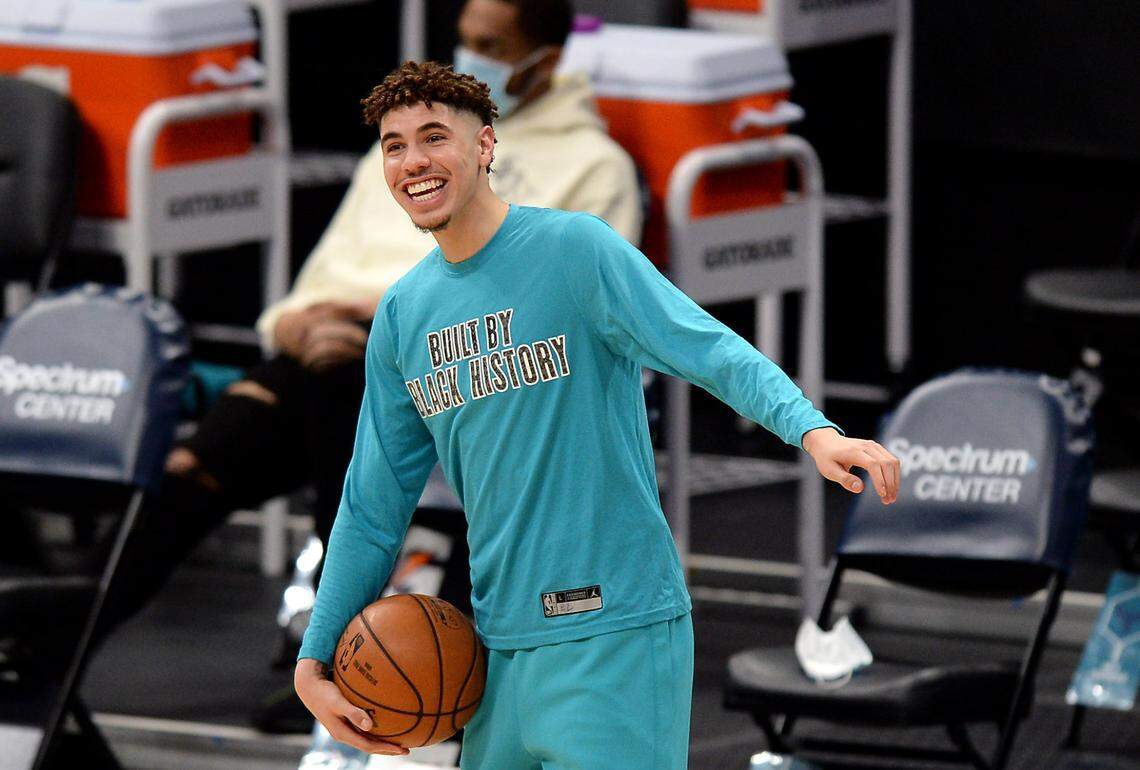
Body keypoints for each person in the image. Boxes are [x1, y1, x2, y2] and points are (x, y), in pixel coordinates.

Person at [293, 61, 901, 769]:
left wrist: (812, 428)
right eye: (394, 145)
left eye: (435, 137)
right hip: (499, 647)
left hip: (614, 631)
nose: (414, 161)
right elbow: (371, 508)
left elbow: (705, 346)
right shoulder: (402, 315)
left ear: (487, 145)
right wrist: (316, 656)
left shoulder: (573, 250)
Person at [104, 0, 640, 636]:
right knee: (203, 463)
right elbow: (310, 289)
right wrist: (298, 325)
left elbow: (575, 318)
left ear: (544, 61)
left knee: (332, 395)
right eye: (462, 40)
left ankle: (339, 654)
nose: (468, 60)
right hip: (338, 356)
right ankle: (56, 639)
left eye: (490, 47)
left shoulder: (595, 167)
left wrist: (392, 314)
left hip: (472, 372)